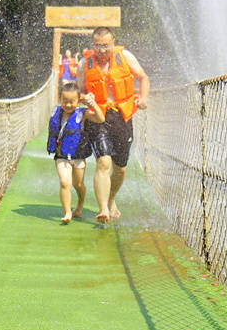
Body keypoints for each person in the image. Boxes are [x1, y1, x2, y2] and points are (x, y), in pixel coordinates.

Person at [81, 27, 150, 223]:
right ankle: (103, 209)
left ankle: (111, 199)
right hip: (98, 116)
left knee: (120, 168)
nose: (101, 50)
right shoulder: (84, 63)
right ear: (92, 44)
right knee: (103, 162)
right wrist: (85, 98)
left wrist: (143, 98)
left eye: (105, 46)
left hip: (122, 116)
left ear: (113, 43)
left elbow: (143, 78)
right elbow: (79, 89)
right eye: (97, 46)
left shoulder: (125, 56)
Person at [47, 83, 102, 223]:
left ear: (78, 101)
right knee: (65, 182)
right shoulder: (57, 112)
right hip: (62, 156)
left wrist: (92, 104)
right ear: (60, 99)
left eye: (72, 101)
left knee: (78, 185)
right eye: (65, 101)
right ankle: (67, 212)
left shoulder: (82, 114)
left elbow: (101, 118)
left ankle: (79, 205)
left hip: (78, 155)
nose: (68, 104)